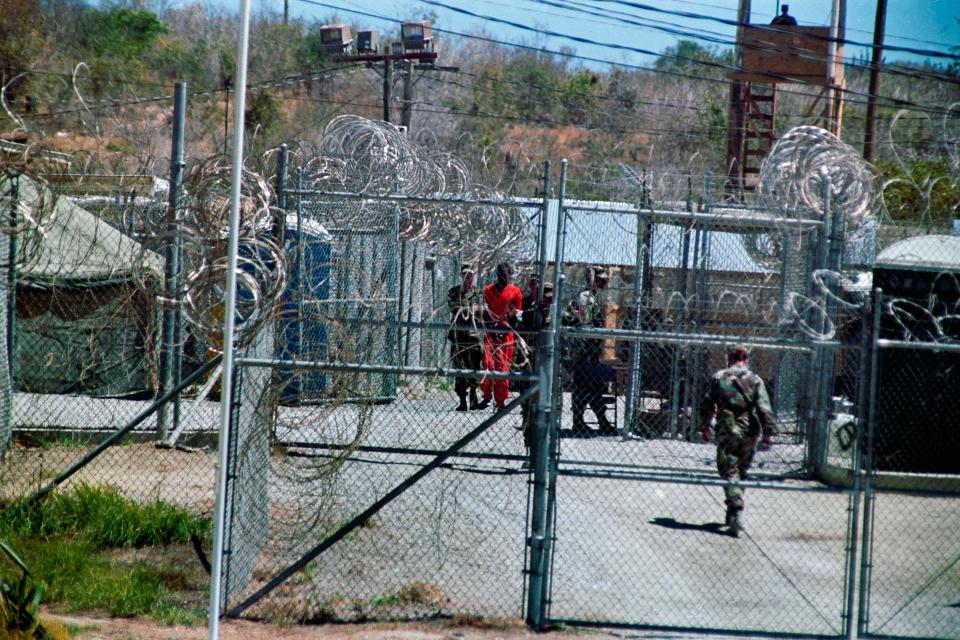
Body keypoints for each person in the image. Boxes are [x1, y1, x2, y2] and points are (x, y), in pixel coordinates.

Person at [697, 345, 777, 538]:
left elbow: (707, 404)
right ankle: (733, 512)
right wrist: (768, 433)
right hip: (750, 430)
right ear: (746, 359)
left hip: (727, 429)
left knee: (728, 470)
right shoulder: (755, 379)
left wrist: (705, 426)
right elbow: (764, 408)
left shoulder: (719, 378)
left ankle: (736, 508)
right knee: (741, 470)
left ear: (729, 359)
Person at [564, 266, 616, 437]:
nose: (603, 282)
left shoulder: (590, 296)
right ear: (591, 279)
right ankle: (582, 422)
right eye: (599, 279)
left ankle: (597, 422)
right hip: (585, 352)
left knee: (591, 387)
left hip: (588, 351)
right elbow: (586, 322)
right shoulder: (586, 296)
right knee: (586, 387)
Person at [477, 263, 523, 411]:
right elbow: (483, 311)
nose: (504, 277)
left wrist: (510, 318)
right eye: (501, 274)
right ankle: (486, 396)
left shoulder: (515, 292)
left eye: (506, 275)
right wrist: (485, 318)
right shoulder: (487, 290)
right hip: (490, 332)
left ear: (509, 275)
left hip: (505, 334)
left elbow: (518, 315)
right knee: (488, 364)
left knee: (502, 367)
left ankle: (501, 401)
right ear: (497, 275)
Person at [516, 276, 553, 450]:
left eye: (549, 298)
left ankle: (544, 451)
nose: (546, 301)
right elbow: (515, 325)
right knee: (528, 407)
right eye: (544, 298)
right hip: (529, 363)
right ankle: (530, 447)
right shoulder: (527, 309)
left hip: (547, 368)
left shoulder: (556, 312)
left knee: (546, 408)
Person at [447, 265, 483, 411]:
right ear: (461, 276)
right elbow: (453, 307)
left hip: (474, 337)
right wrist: (468, 308)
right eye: (465, 275)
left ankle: (473, 395)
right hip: (458, 336)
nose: (468, 278)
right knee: (459, 367)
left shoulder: (478, 293)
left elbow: (482, 310)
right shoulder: (454, 292)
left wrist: (476, 310)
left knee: (474, 366)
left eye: (470, 275)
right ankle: (462, 400)